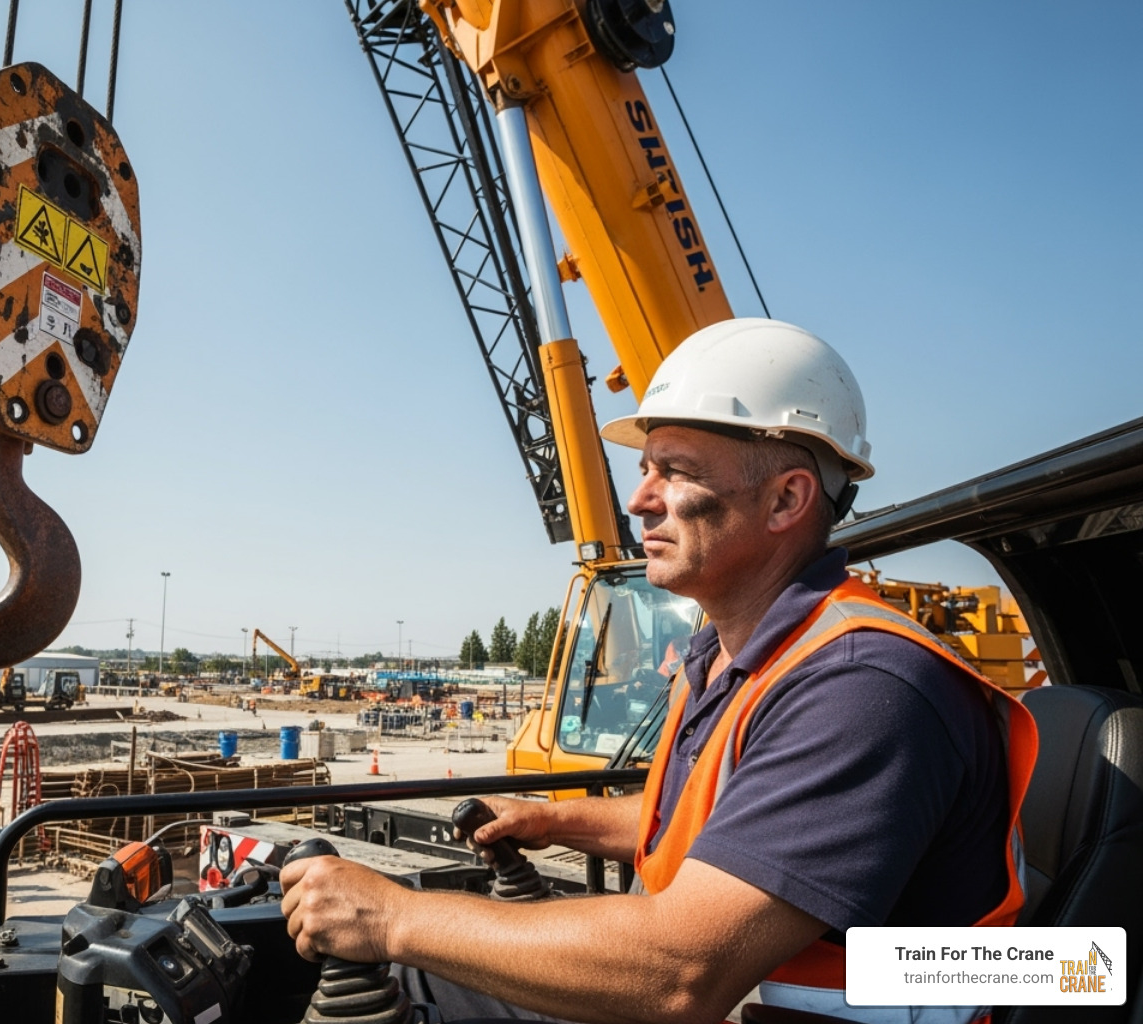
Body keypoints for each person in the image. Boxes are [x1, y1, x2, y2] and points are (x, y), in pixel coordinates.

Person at [280, 319, 1036, 1024]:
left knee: (417, 980)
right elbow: (713, 825)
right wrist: (555, 819)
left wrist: (390, 916)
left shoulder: (863, 686)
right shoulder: (728, 658)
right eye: (644, 469)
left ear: (786, 499)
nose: (639, 499)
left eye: (673, 471)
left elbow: (680, 972)